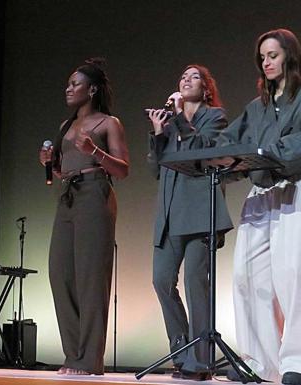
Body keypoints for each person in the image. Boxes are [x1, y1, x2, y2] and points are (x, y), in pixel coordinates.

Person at [212, 29, 301, 385]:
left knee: (291, 276)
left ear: (289, 58)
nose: (266, 62)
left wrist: (265, 156)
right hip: (261, 192)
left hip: (293, 187)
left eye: (273, 55)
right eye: (262, 57)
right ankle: (259, 362)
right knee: (248, 277)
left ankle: (295, 359)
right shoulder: (256, 106)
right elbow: (227, 142)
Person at [39, 58, 129, 375]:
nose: (68, 88)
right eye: (68, 83)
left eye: (75, 83)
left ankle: (89, 360)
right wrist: (49, 162)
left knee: (91, 279)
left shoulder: (108, 123)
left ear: (91, 89)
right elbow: (64, 169)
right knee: (60, 274)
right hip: (68, 196)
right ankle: (73, 354)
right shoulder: (66, 126)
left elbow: (123, 169)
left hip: (95, 194)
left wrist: (96, 151)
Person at [146, 65, 233, 380]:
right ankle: (182, 353)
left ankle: (200, 363)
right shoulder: (170, 123)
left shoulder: (214, 116)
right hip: (169, 213)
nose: (185, 79)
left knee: (198, 286)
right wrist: (158, 133)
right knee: (161, 280)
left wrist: (180, 116)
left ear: (206, 88)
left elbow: (201, 152)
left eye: (194, 76)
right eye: (182, 76)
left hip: (198, 213)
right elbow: (156, 169)